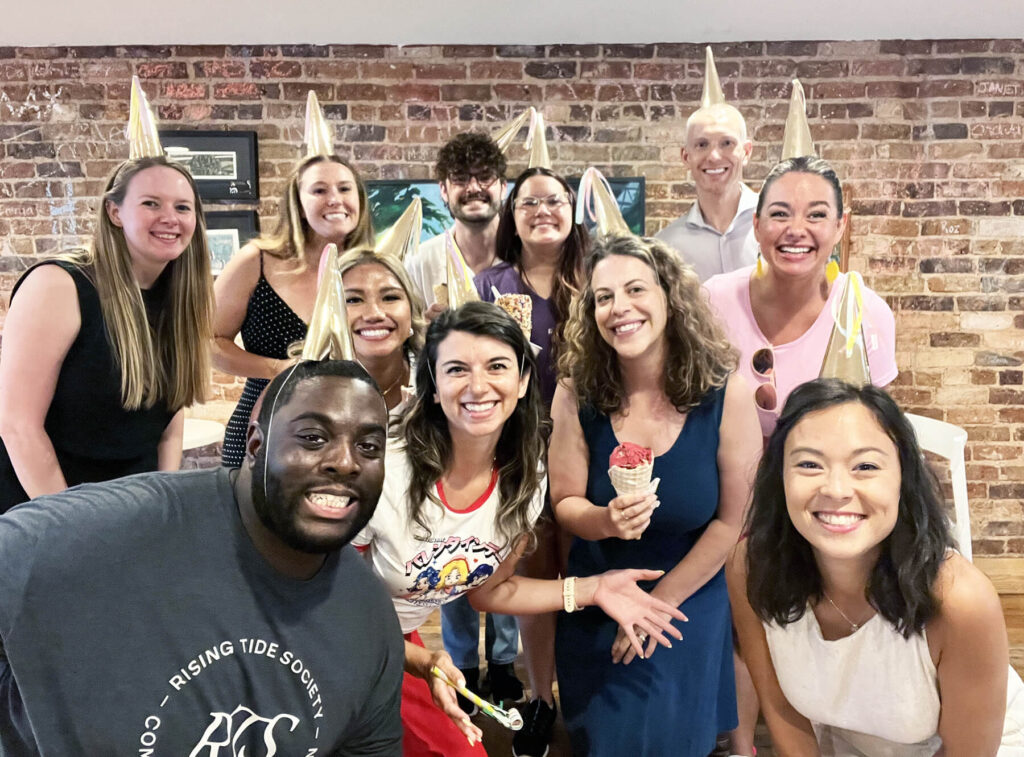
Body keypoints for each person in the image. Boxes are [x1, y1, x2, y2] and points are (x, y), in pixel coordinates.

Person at [0, 359, 404, 755]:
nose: (345, 462)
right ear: (255, 445)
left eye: (368, 447)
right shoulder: (120, 529)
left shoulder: (367, 620)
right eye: (313, 438)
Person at [353, 302, 685, 757]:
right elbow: (324, 606)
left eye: (496, 366)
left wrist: (596, 588)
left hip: (396, 643)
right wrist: (423, 660)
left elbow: (490, 592)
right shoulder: (380, 467)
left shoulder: (524, 478)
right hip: (333, 638)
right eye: (456, 369)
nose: (478, 385)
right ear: (431, 386)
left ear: (524, 380)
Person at [728, 378, 1024, 755]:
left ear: (903, 479)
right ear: (780, 477)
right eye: (808, 464)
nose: (836, 490)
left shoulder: (961, 601)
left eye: (865, 465)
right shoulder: (751, 567)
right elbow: (781, 709)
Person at [550, 234, 761, 756]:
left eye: (635, 289)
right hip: (599, 588)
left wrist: (657, 606)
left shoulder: (727, 394)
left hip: (686, 593)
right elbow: (565, 504)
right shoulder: (577, 390)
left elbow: (731, 524)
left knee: (674, 740)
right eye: (603, 297)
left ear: (669, 295)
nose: (619, 308)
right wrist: (606, 520)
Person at [0, 155, 213, 513]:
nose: (170, 218)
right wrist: (72, 522)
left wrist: (161, 502)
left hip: (131, 507)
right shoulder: (58, 284)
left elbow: (167, 427)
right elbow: (18, 426)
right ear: (115, 213)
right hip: (44, 508)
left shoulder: (181, 298)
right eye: (150, 203)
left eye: (182, 207)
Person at [474, 166, 590, 755]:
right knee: (538, 581)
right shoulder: (490, 283)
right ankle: (542, 697)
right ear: (511, 215)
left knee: (591, 571)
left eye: (555, 200)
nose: (543, 210)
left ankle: (593, 694)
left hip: (596, 452)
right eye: (528, 202)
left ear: (572, 209)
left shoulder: (597, 275)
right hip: (520, 456)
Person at [704, 155, 898, 439]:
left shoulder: (868, 314)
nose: (796, 230)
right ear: (757, 225)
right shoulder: (711, 301)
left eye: (816, 215)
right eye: (780, 214)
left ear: (840, 225)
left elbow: (876, 433)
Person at [213, 153, 374, 467]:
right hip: (262, 427)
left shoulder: (373, 272)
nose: (335, 199)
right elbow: (208, 342)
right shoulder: (256, 260)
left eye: (344, 189)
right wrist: (276, 368)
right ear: (298, 204)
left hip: (346, 439)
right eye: (319, 190)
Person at [655, 53, 757, 283]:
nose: (713, 156)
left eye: (727, 143)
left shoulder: (776, 226)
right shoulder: (666, 247)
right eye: (702, 145)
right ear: (685, 156)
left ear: (746, 152)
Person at [405, 132, 508, 317]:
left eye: (485, 177)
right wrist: (427, 333)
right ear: (444, 190)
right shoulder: (419, 262)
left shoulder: (527, 255)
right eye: (460, 179)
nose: (474, 188)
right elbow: (408, 336)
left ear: (503, 188)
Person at [337, 247, 425, 412]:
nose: (374, 314)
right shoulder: (302, 389)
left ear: (412, 310)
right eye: (354, 300)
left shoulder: (439, 379)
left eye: (390, 298)